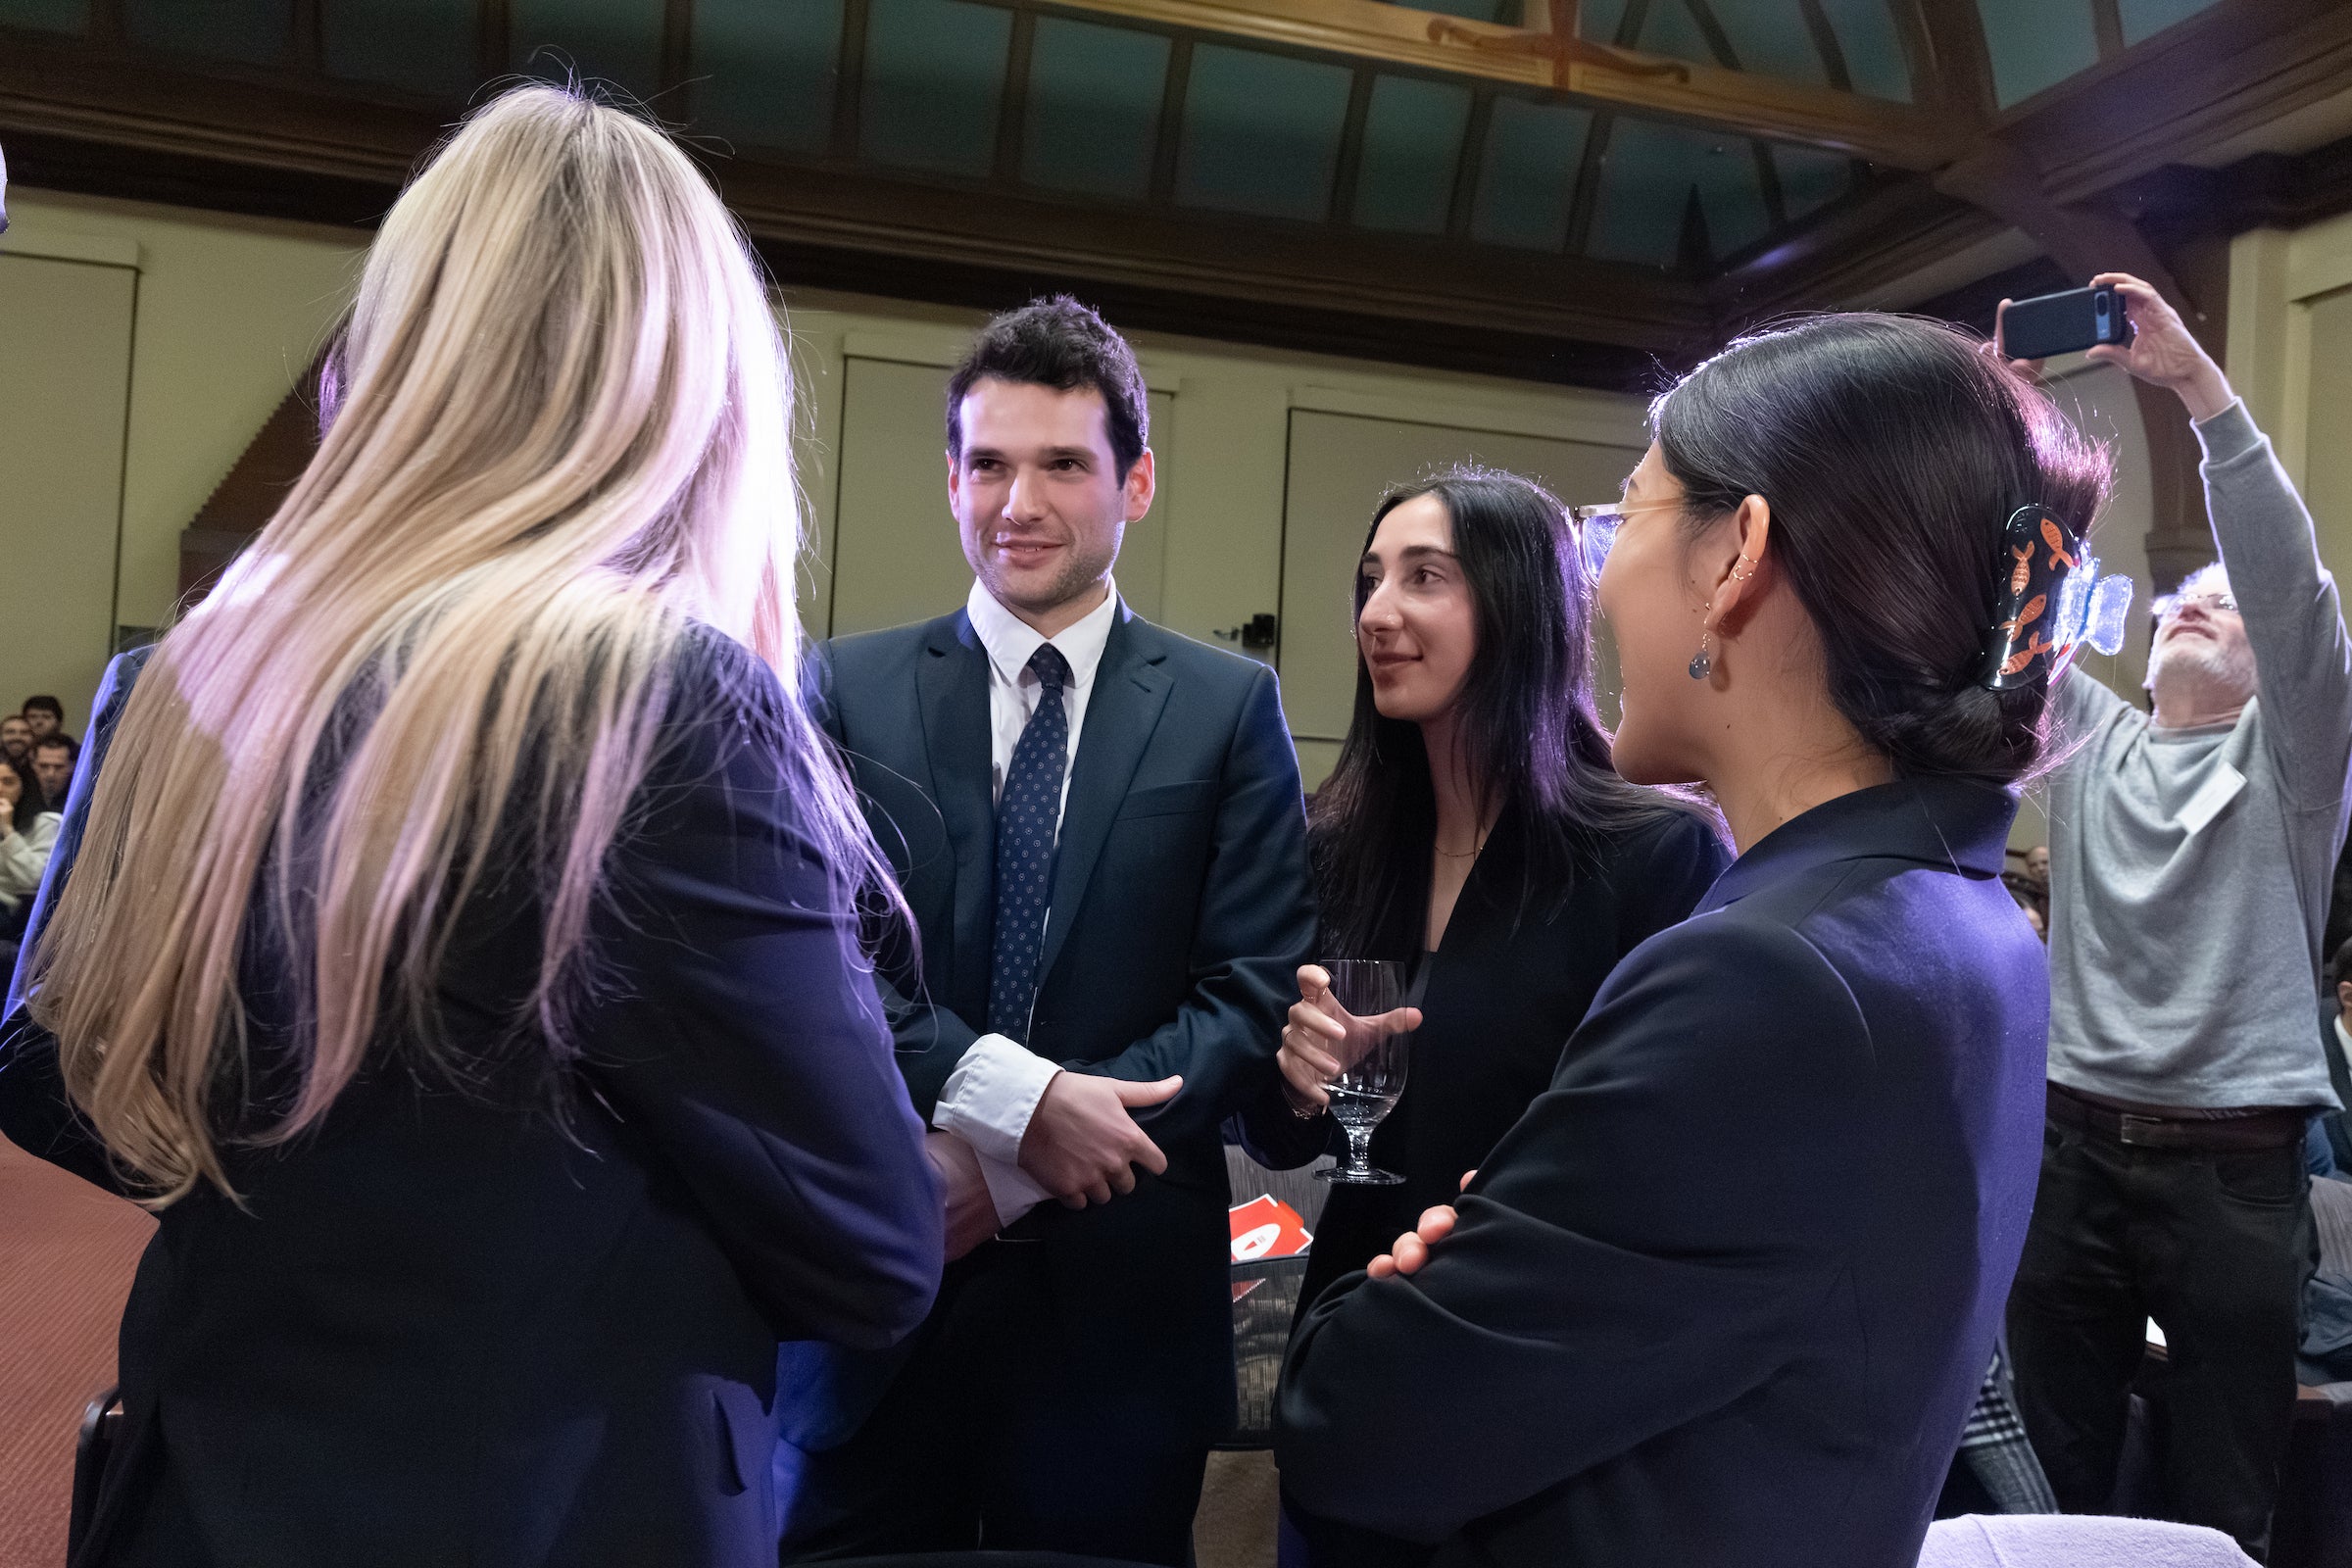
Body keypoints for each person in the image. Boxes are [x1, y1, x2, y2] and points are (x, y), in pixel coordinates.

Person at [0, 86, 944, 1567]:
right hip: (548, 1509)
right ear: (696, 391)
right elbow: (872, 1249)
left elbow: (52, 1071)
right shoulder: (652, 703)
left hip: (206, 1496)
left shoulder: (182, 679)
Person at [1276, 312, 2098, 1567]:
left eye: (1626, 520)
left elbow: (1350, 1419)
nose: (1602, 582)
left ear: (1737, 559)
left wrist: (1455, 1256)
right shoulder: (1954, 909)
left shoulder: (1767, 978)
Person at [782, 295, 1316, 1566]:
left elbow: (1247, 999)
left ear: (1136, 483)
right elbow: (818, 962)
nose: (1017, 502)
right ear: (950, 481)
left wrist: (1017, 1161)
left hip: (1116, 1321)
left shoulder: (1227, 707)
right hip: (886, 1282)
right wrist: (1013, 1106)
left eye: (1063, 465)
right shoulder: (840, 689)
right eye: (989, 465)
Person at [1230, 467, 1727, 1562]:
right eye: (1370, 580)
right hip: (1352, 1374)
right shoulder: (1336, 845)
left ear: (1517, 608)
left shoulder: (1652, 853)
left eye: (1425, 578)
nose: (1378, 612)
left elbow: (1666, 1171)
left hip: (1532, 1399)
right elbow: (1278, 1138)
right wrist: (1297, 1082)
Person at [2004, 274, 2351, 1563]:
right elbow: (2014, 611)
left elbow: (2290, 587)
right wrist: (2012, 428)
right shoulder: (2088, 740)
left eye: (2226, 601)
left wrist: (2200, 390)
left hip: (2234, 1173)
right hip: (2068, 1150)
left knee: (2222, 1506)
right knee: (2048, 1491)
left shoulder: (2294, 763)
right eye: (2177, 599)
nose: (2197, 601)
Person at [0, 763, 59, 914]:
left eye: (8, 782)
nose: (0, 789)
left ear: (24, 788)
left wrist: (8, 831)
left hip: (15, 911)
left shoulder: (47, 822)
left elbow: (35, 880)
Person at [29, 733, 74, 805]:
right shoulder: (19, 792)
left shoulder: (83, 798)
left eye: (59, 767)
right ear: (33, 764)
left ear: (72, 766)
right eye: (43, 766)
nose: (50, 774)